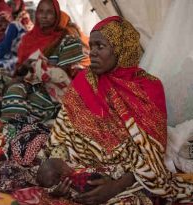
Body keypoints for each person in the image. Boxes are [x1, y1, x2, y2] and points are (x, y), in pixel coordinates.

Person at [47, 16, 193, 204]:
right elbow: (61, 135)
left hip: (128, 174)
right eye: (91, 46)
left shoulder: (148, 88)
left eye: (100, 46)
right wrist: (63, 173)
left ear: (121, 49)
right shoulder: (85, 81)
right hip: (85, 165)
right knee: (45, 171)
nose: (93, 53)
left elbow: (152, 154)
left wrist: (116, 186)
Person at [1, 0, 90, 122]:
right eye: (41, 11)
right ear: (36, 14)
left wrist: (38, 65)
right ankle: (12, 130)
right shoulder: (28, 38)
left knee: (33, 103)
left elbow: (62, 75)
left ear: (56, 15)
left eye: (49, 12)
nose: (44, 16)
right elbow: (20, 70)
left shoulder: (68, 39)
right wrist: (25, 67)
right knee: (13, 91)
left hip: (54, 90)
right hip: (30, 83)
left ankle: (18, 131)